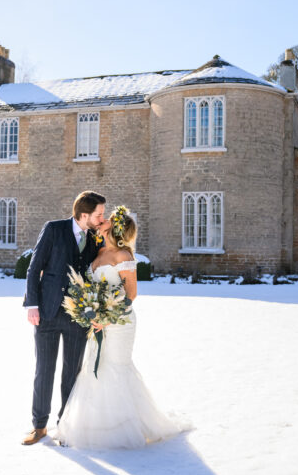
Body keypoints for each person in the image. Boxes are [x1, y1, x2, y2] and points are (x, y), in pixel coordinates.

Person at [55, 206, 184, 449]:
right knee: (95, 367)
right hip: (97, 322)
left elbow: (131, 294)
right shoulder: (99, 252)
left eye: (106, 221)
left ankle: (121, 428)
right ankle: (92, 427)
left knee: (115, 368)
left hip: (120, 322)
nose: (101, 222)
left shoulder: (123, 256)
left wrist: (107, 317)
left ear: (114, 229)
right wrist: (90, 311)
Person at [21, 191, 106, 446]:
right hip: (47, 312)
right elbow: (34, 267)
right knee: (43, 370)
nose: (102, 218)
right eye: (99, 214)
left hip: (78, 317)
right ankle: (39, 426)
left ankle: (66, 426)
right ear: (84, 215)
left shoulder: (95, 239)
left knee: (72, 373)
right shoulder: (53, 230)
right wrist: (32, 305)